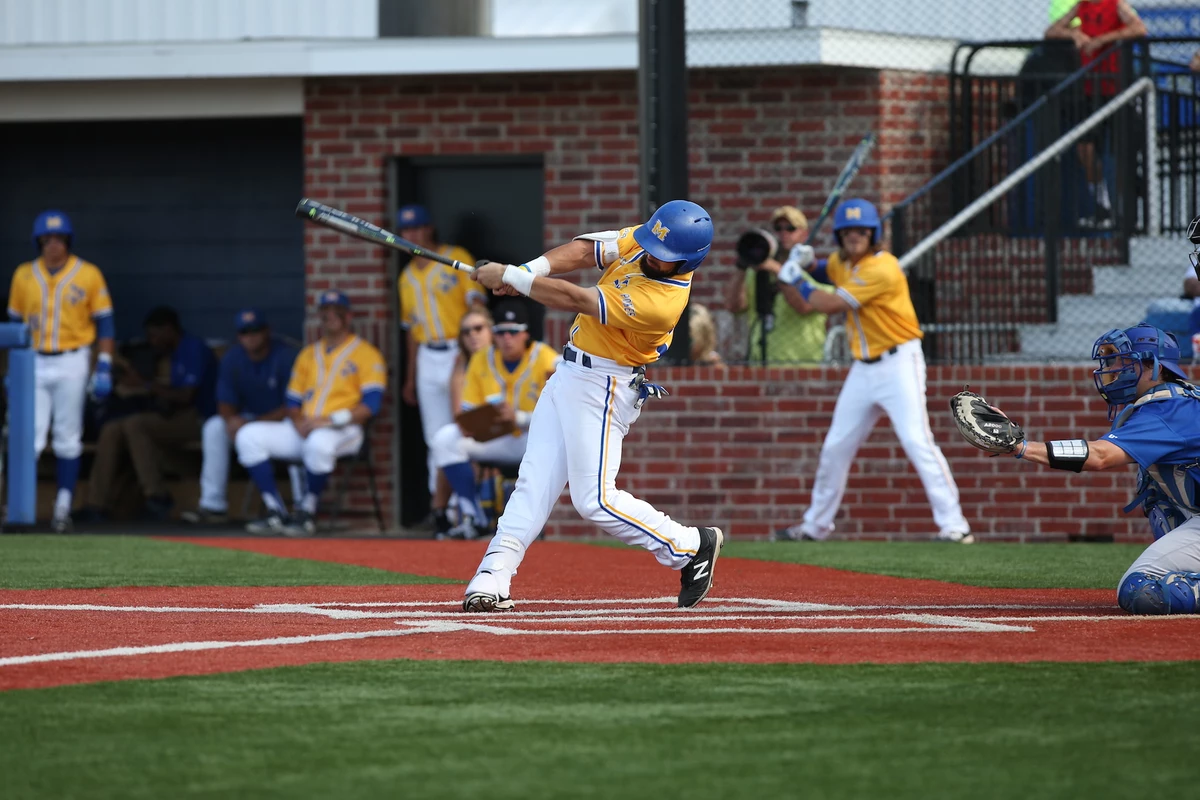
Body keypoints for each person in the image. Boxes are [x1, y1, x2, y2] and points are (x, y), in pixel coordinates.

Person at [461, 200, 724, 613]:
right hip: (569, 371)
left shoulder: (662, 301)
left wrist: (513, 276)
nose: (653, 257)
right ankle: (494, 574)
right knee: (533, 482)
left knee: (595, 499)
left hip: (606, 385)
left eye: (664, 257)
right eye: (652, 247)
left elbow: (579, 299)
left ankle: (690, 545)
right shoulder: (650, 237)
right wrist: (529, 271)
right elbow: (585, 251)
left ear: (688, 261)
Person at [774, 199, 972, 543]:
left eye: (861, 230)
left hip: (899, 363)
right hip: (863, 370)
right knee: (836, 446)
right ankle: (814, 527)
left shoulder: (883, 267)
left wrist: (797, 279)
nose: (855, 236)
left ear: (873, 234)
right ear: (839, 234)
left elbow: (830, 302)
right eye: (848, 230)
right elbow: (829, 269)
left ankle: (955, 525)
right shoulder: (842, 262)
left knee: (917, 441)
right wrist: (807, 262)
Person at [967, 322, 1200, 615]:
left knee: (1142, 589)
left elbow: (1099, 456)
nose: (1112, 369)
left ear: (1151, 366)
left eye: (1121, 360)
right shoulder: (1182, 399)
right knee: (1160, 499)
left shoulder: (1170, 409)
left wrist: (1021, 447)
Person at [235, 291, 385, 536]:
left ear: (348, 316)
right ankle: (276, 511)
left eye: (336, 312)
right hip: (304, 427)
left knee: (318, 443)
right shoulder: (308, 353)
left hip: (344, 429)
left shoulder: (367, 354)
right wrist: (298, 422)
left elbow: (371, 405)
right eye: (325, 312)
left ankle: (306, 511)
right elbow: (292, 400)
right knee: (248, 435)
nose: (330, 317)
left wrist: (327, 421)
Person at [6, 210, 114, 532]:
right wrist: (12, 368)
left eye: (60, 239)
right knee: (29, 437)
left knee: (68, 436)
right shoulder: (24, 275)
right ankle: (19, 510)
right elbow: (13, 328)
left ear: (68, 241)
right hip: (32, 359)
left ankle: (62, 508)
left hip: (72, 358)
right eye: (47, 239)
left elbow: (106, 324)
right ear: (38, 241)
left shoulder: (89, 273)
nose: (54, 245)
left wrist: (104, 365)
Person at [429, 300, 559, 541]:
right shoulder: (482, 358)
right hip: (496, 437)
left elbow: (563, 412)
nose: (506, 338)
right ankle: (473, 516)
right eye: (500, 332)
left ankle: (529, 527)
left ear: (525, 333)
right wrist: (473, 423)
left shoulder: (545, 357)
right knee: (445, 439)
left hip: (532, 440)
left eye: (513, 331)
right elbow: (468, 408)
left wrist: (519, 417)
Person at [79, 307, 216, 522]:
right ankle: (96, 504)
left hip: (201, 419)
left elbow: (185, 397)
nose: (151, 341)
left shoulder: (192, 347)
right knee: (112, 429)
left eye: (155, 335)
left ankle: (157, 496)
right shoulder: (170, 353)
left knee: (135, 424)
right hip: (174, 416)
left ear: (169, 330)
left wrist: (143, 384)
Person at [395, 203, 486, 512]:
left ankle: (469, 504)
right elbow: (411, 331)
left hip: (457, 351)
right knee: (434, 436)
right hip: (426, 356)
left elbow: (477, 305)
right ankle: (443, 509)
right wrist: (409, 376)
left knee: (463, 427)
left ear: (428, 228)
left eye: (417, 228)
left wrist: (475, 353)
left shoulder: (455, 256)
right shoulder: (406, 277)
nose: (413, 235)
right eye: (406, 230)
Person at [180, 309, 299, 525]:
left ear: (267, 331)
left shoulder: (285, 356)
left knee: (289, 429)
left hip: (281, 422)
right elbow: (224, 401)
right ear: (238, 336)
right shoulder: (233, 358)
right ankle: (213, 504)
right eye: (245, 332)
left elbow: (293, 406)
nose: (250, 336)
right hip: (248, 420)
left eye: (256, 330)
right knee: (214, 428)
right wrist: (230, 421)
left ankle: (297, 508)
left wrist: (251, 424)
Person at [1045, 0, 1146, 228]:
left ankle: (1127, 213)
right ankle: (1102, 203)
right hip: (1091, 90)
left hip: (1116, 89)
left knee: (1122, 151)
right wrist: (1074, 34)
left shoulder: (1115, 4)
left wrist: (1103, 40)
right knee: (1086, 148)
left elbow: (1139, 28)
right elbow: (1051, 31)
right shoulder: (1081, 6)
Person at [726, 206, 828, 364]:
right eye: (778, 229)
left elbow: (803, 307)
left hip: (802, 365)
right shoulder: (759, 272)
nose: (783, 234)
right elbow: (735, 307)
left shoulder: (814, 273)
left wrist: (779, 271)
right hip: (760, 362)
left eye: (790, 228)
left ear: (804, 234)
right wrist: (742, 266)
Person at [429, 306, 494, 536]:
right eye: (466, 332)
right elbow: (460, 415)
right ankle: (465, 515)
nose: (473, 335)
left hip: (505, 431)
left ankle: (469, 516)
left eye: (478, 328)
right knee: (444, 441)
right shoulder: (461, 366)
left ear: (490, 330)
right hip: (473, 432)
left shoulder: (502, 358)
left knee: (450, 447)